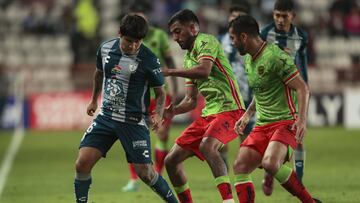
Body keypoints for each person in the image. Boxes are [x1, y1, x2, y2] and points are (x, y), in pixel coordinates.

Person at [73, 14, 178, 203]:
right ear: (119, 33)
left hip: (133, 121)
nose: (133, 46)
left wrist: (159, 114)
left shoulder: (149, 59)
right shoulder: (105, 49)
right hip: (106, 117)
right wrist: (93, 100)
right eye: (129, 41)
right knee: (82, 163)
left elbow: (160, 93)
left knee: (145, 174)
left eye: (138, 42)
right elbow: (98, 74)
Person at [229, 15, 321, 203]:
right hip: (263, 125)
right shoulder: (248, 60)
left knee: (270, 163)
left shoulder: (276, 57)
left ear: (244, 37)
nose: (232, 43)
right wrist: (248, 115)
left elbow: (303, 88)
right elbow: (262, 90)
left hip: (285, 122)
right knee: (240, 166)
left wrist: (302, 120)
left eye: (233, 38)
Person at [163, 9, 246, 203]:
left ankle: (228, 201)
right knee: (170, 160)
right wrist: (171, 111)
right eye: (172, 33)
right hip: (209, 115)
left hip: (231, 110)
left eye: (177, 31)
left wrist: (171, 72)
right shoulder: (187, 58)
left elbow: (204, 71)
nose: (175, 38)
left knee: (208, 146)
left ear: (192, 28)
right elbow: (191, 101)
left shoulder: (206, 41)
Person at [122, 4, 179, 192]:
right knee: (134, 137)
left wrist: (175, 88)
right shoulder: (129, 38)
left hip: (161, 92)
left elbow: (169, 62)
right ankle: (134, 179)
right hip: (139, 96)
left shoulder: (159, 36)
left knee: (162, 134)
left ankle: (158, 174)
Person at [260, 0, 309, 195]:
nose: (280, 20)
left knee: (298, 135)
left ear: (293, 16)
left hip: (293, 92)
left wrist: (305, 88)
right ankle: (270, 174)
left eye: (284, 16)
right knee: (270, 134)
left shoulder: (301, 37)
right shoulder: (264, 34)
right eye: (277, 15)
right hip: (271, 93)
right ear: (273, 15)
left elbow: (302, 63)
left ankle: (299, 177)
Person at [219, 4, 255, 169]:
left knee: (245, 134)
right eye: (232, 16)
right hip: (224, 93)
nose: (234, 19)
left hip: (245, 92)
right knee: (220, 134)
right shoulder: (220, 40)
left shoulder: (250, 40)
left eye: (238, 16)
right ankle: (224, 167)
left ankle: (243, 168)